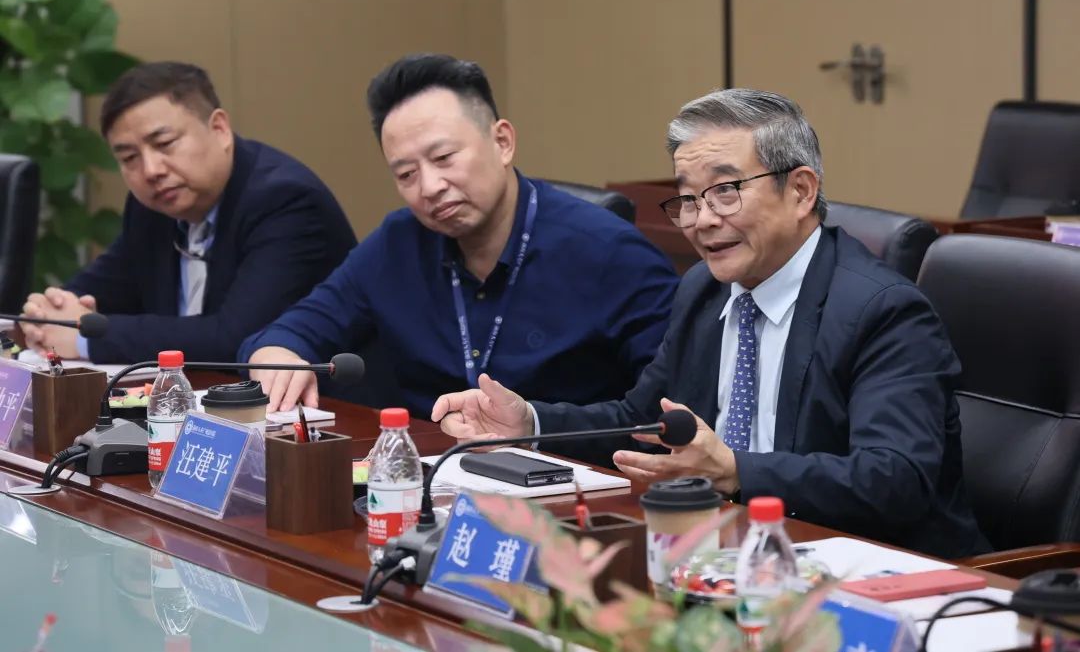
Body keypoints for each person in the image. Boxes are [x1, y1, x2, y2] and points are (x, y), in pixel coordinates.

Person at [432, 88, 987, 558]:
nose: (702, 221)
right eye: (688, 199)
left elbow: (894, 480)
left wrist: (735, 470)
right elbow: (644, 421)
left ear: (800, 191)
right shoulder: (705, 288)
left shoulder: (884, 312)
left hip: (872, 572)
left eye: (725, 192)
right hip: (726, 554)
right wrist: (529, 424)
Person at [240, 53, 677, 415]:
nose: (429, 187)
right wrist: (275, 355)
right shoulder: (397, 244)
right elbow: (293, 331)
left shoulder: (609, 252)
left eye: (444, 157)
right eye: (406, 174)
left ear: (502, 142)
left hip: (573, 478)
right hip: (433, 475)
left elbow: (669, 409)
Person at [21, 61, 356, 363]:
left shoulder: (285, 201)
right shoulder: (152, 207)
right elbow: (101, 286)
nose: (151, 170)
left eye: (165, 143)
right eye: (129, 158)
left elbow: (234, 339)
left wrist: (85, 337)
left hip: (319, 407)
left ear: (219, 129)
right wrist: (49, 314)